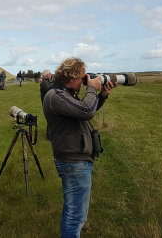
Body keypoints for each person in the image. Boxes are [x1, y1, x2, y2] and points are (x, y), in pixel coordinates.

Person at [42, 58, 116, 238]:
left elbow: (83, 111)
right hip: (73, 163)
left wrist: (102, 96)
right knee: (75, 216)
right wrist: (92, 88)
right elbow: (86, 111)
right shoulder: (56, 96)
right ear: (72, 76)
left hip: (75, 161)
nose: (85, 81)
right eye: (83, 77)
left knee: (72, 211)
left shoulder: (64, 93)